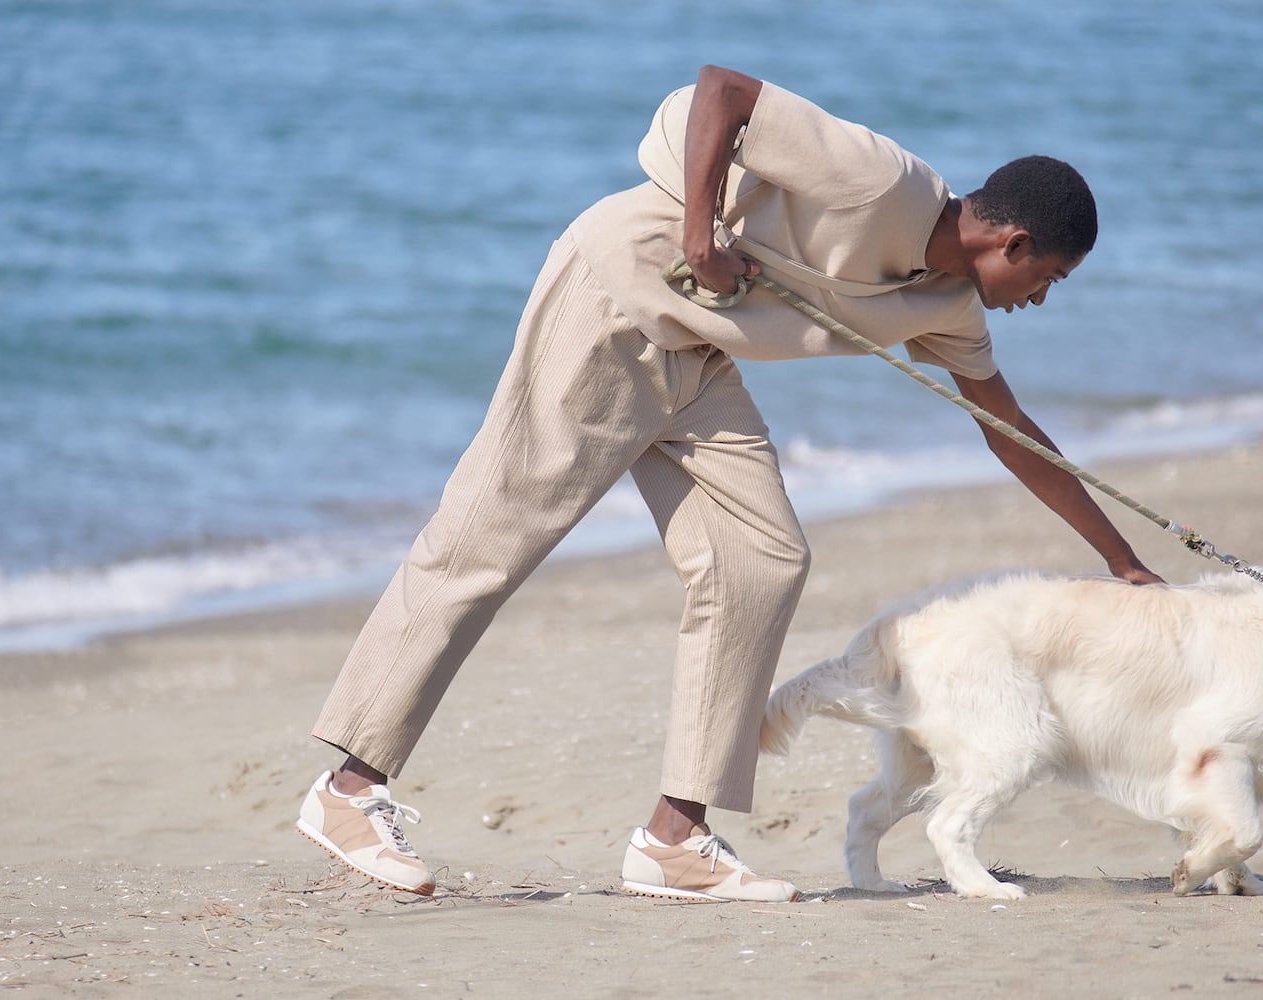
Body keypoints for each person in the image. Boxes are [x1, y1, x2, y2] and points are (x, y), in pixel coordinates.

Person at [295, 65, 1164, 903]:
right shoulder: (880, 181)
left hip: (700, 360)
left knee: (762, 559)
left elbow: (1010, 435)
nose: (1040, 300)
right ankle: (348, 785)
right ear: (1013, 243)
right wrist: (701, 233)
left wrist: (1123, 560)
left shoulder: (948, 308)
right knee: (486, 545)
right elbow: (724, 90)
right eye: (1047, 278)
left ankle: (675, 839)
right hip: (615, 306)